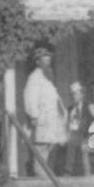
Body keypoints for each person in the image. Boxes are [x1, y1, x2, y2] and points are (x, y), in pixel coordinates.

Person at [23, 48, 67, 177]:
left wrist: (63, 114)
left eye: (49, 59)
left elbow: (55, 99)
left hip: (53, 119)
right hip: (42, 117)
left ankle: (46, 174)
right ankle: (40, 175)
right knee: (42, 147)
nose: (48, 61)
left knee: (51, 145)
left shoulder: (47, 78)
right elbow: (30, 97)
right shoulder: (34, 78)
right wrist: (34, 115)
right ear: (38, 62)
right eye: (45, 59)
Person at [65, 82, 94, 177]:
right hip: (76, 136)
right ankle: (68, 172)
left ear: (82, 94)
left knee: (93, 133)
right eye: (72, 94)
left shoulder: (90, 107)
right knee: (70, 141)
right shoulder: (70, 110)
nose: (74, 96)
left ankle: (90, 173)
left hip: (89, 136)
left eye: (76, 94)